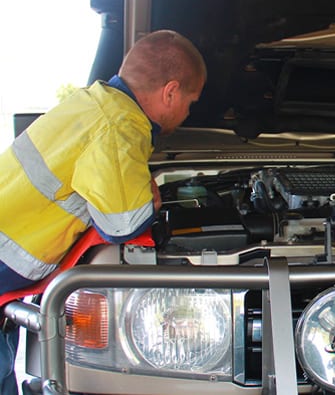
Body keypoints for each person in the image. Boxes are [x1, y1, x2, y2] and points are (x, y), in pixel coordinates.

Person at [0, 30, 207, 395]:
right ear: (170, 91)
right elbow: (123, 224)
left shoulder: (93, 102)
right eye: (191, 102)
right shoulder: (121, 125)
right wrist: (151, 201)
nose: (189, 113)